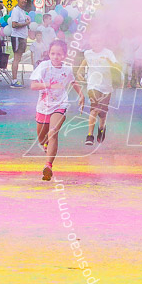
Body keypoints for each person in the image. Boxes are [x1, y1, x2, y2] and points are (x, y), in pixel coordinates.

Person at [30, 40, 82, 181]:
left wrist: (81, 95)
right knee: (42, 139)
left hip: (60, 104)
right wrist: (49, 85)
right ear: (49, 53)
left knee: (53, 132)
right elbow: (33, 86)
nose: (55, 57)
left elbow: (73, 82)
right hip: (43, 106)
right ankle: (46, 146)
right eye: (53, 53)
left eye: (59, 54)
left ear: (64, 56)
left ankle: (48, 166)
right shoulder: (43, 66)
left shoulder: (67, 69)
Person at [81, 43, 119, 146]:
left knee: (102, 112)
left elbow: (116, 66)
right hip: (93, 85)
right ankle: (89, 135)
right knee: (94, 109)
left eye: (98, 40)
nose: (96, 43)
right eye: (93, 40)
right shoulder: (87, 53)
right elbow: (85, 61)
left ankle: (101, 128)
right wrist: (80, 71)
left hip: (106, 86)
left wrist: (109, 62)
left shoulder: (108, 53)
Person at [7, 0, 31, 86]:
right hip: (17, 37)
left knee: (19, 58)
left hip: (23, 37)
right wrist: (26, 23)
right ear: (18, 0)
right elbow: (14, 24)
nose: (24, 1)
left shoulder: (22, 11)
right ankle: (14, 80)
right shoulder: (16, 11)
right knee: (16, 58)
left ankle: (15, 78)